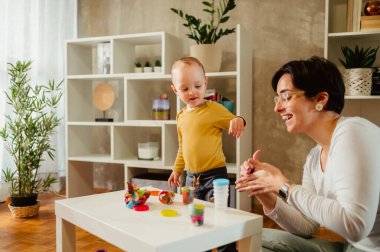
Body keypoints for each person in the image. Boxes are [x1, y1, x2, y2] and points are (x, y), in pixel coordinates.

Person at [235, 56, 380, 252]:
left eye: (286, 96)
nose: (277, 108)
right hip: (351, 247)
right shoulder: (314, 156)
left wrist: (283, 185)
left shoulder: (353, 132)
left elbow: (355, 226)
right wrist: (265, 190)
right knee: (248, 237)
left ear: (320, 99)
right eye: (277, 98)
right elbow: (307, 225)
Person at [168, 56, 245, 252]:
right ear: (175, 90)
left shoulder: (214, 110)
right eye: (185, 89)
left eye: (197, 85)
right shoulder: (181, 117)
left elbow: (235, 120)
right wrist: (177, 170)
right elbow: (182, 146)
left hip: (215, 176)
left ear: (206, 83)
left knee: (219, 218)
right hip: (191, 178)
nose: (193, 92)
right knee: (194, 220)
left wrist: (239, 120)